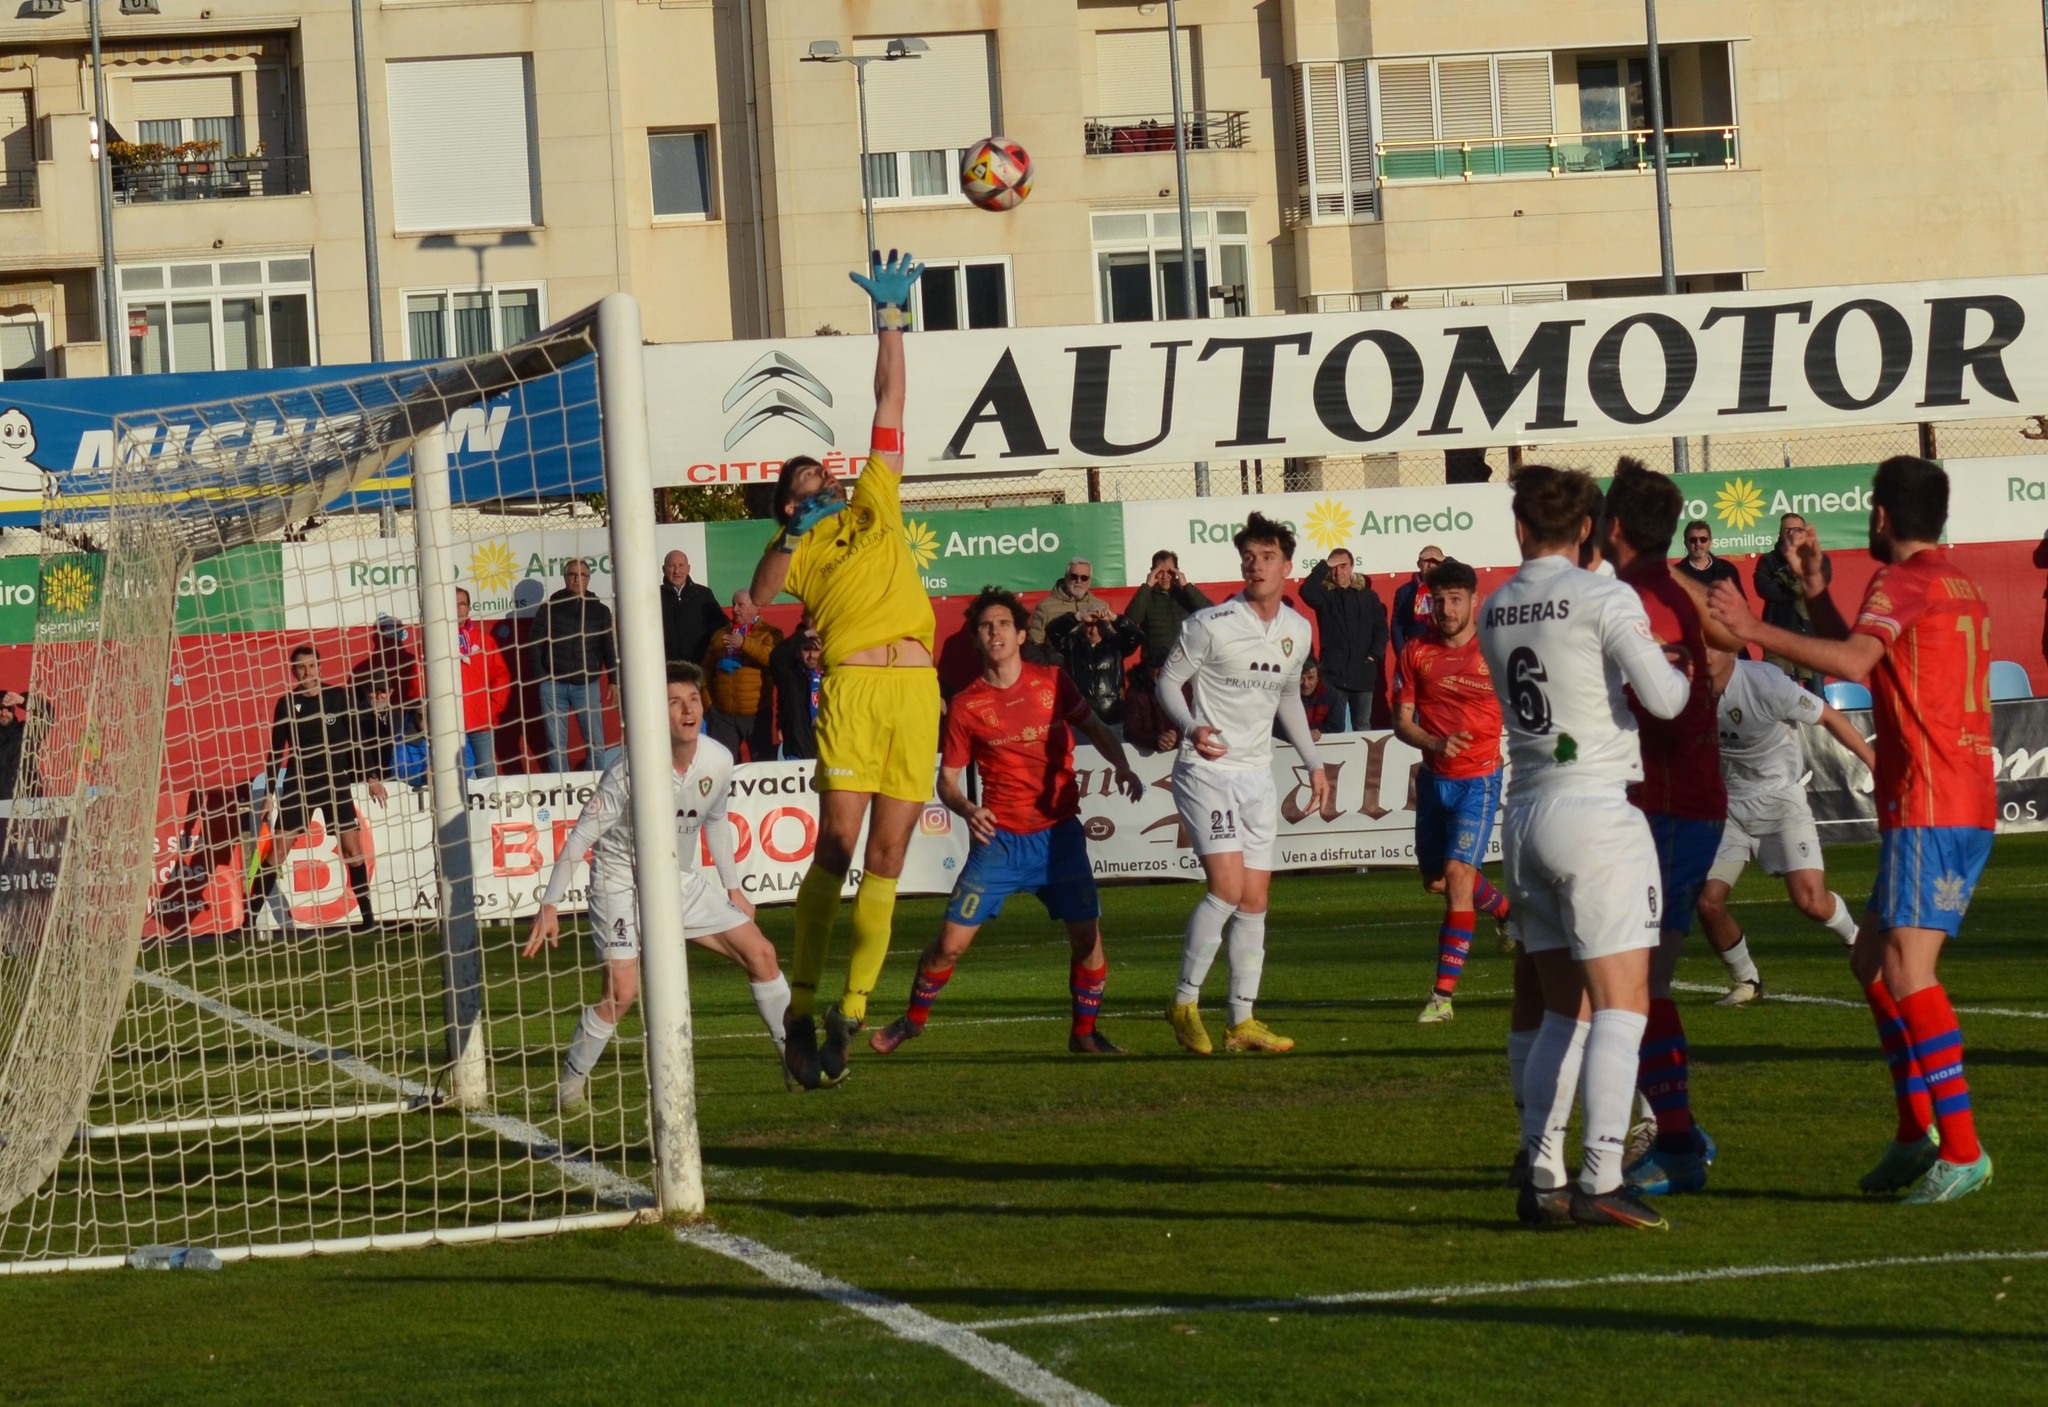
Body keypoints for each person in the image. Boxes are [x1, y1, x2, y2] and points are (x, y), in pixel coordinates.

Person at [1709, 456, 1997, 1204]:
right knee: (1870, 962)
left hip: (1935, 799)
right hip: (1948, 793)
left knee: (1907, 972)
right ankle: (1913, 1133)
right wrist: (1814, 593)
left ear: (1879, 515)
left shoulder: (1901, 581)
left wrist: (1753, 625)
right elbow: (1875, 659)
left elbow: (1857, 658)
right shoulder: (1953, 579)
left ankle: (1961, 1149)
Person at [1478, 464, 1691, 1231]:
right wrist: (1672, 663)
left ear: (1519, 527)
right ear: (1588, 531)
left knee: (1562, 1012)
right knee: (1623, 1004)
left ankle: (1542, 1175)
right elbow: (1666, 701)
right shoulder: (1606, 594)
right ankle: (1602, 1174)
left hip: (1525, 811)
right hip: (1596, 809)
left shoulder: (1495, 606)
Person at [747, 249, 939, 1091]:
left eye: (818, 469)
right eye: (801, 480)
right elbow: (757, 597)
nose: (818, 476)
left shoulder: (873, 498)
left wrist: (891, 322)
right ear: (790, 502)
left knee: (891, 858)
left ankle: (851, 1010)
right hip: (857, 690)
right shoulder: (807, 543)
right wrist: (793, 531)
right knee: (837, 842)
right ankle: (802, 1002)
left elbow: (890, 401)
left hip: (917, 689)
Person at [869, 588, 1144, 1058]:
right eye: (984, 626)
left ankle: (1084, 1034)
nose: (994, 632)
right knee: (950, 946)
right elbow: (948, 782)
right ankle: (913, 1022)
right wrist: (967, 809)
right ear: (977, 639)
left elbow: (1097, 728)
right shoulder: (966, 706)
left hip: (1059, 838)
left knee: (1088, 942)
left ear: (1020, 635)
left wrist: (1122, 764)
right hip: (999, 844)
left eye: (1002, 624)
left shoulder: (1053, 682)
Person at [521, 664, 792, 1107]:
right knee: (621, 993)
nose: (687, 710)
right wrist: (550, 905)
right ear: (655, 713)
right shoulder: (629, 771)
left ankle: (792, 1062)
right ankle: (569, 1084)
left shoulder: (718, 759)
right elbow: (581, 837)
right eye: (673, 702)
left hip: (675, 879)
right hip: (619, 881)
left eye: (692, 699)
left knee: (761, 953)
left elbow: (717, 821)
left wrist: (733, 887)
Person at [1157, 513, 1331, 1056]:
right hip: (1206, 770)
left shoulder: (1297, 631)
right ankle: (1184, 1001)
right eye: (1250, 556)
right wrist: (1191, 726)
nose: (1257, 565)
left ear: (1288, 565)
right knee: (1228, 888)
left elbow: (1286, 699)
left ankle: (1241, 1022)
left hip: (1257, 774)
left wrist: (1314, 762)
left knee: (1254, 900)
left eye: (1268, 556)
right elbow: (1167, 682)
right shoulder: (1210, 622)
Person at [1601, 460, 1729, 1201]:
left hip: (1675, 808)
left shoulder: (1646, 599)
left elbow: (1673, 705)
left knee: (1640, 982)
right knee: (1634, 980)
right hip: (1667, 805)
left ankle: (1672, 1141)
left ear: (1612, 526)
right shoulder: (1652, 591)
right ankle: (1671, 1135)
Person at [1698, 645, 1876, 1005]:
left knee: (1811, 902)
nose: (1704, 653)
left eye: (1713, 644)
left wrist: (1875, 762)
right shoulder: (1681, 688)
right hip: (1726, 807)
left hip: (1780, 802)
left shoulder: (1766, 684)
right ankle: (1747, 980)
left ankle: (1858, 940)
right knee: (1707, 903)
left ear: (1731, 650)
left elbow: (1830, 717)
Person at [1391, 558, 1514, 1024]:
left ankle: (1441, 997)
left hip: (1479, 780)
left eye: (1455, 599)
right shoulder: (1416, 649)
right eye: (1438, 599)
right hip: (1434, 778)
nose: (1445, 608)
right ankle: (1505, 911)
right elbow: (1402, 721)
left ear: (1473, 601)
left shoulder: (1495, 649)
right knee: (1438, 880)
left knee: (1458, 880)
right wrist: (1434, 742)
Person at [246, 645, 389, 933]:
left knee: (353, 849)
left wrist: (372, 777)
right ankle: (246, 923)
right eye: (301, 667)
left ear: (320, 668)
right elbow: (277, 752)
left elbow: (357, 741)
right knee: (277, 853)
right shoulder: (286, 703)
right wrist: (270, 794)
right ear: (293, 671)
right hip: (300, 784)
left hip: (335, 782)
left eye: (312, 666)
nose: (307, 672)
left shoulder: (338, 697)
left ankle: (367, 919)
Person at [529, 559, 618, 772]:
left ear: (589, 579)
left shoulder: (600, 611)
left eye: (582, 575)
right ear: (565, 577)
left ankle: (593, 788)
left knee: (596, 745)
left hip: (586, 685)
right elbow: (534, 645)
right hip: (553, 686)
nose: (577, 579)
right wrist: (543, 679)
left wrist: (614, 680)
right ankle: (561, 791)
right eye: (572, 575)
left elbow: (608, 647)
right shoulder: (550, 608)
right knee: (555, 747)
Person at [1300, 547, 1389, 732]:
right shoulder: (1324, 595)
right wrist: (1324, 565)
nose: (1338, 571)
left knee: (1362, 725)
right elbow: (1306, 591)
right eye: (1334, 567)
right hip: (1333, 674)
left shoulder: (1368, 597)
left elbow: (1381, 630)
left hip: (1363, 672)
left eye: (1343, 566)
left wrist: (1373, 657)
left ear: (1352, 567)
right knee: (1334, 727)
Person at [1754, 513, 1832, 693]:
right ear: (1779, 533)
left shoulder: (1819, 560)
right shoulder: (1768, 560)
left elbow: (1817, 586)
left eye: (1797, 529)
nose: (1791, 534)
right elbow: (1763, 588)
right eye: (1786, 530)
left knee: (1817, 696)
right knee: (1778, 695)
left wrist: (1782, 581)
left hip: (1813, 638)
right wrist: (1796, 588)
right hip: (1778, 637)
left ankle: (1821, 723)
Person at [703, 590, 782, 761]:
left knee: (762, 763)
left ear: (755, 608)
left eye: (741, 605)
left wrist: (745, 643)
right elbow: (705, 673)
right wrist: (709, 706)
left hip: (756, 713)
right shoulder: (719, 635)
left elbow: (772, 659)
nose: (734, 609)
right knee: (723, 764)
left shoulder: (769, 633)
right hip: (722, 715)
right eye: (733, 604)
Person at [1045, 606, 1144, 729]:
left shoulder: (1116, 644)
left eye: (1100, 625)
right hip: (1080, 718)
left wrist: (1115, 618)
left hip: (1113, 717)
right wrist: (1077, 616)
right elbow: (1052, 631)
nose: (1094, 631)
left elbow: (1137, 636)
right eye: (1089, 625)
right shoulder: (1071, 643)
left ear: (1107, 626)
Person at [1123, 550, 1212, 681]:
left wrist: (1186, 586)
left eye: (1170, 571)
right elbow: (1130, 620)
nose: (1165, 576)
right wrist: (1147, 586)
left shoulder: (1186, 594)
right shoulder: (1146, 595)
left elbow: (1210, 613)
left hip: (1186, 668)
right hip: (1156, 669)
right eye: (1160, 572)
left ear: (1177, 571)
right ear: (1152, 571)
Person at [456, 587, 511, 779]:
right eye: (453, 604)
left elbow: (501, 676)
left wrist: (493, 708)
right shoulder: (434, 641)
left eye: (462, 604)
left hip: (481, 719)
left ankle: (490, 811)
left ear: (469, 608)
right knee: (454, 777)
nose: (458, 609)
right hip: (448, 723)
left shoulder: (485, 640)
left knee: (486, 773)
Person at [1025, 558, 1111, 664]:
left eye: (1084, 578)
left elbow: (1111, 641)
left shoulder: (1102, 606)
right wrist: (1051, 667)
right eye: (1074, 576)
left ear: (1089, 581)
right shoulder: (1045, 607)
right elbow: (1032, 647)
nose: (1079, 581)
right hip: (1059, 672)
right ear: (1066, 577)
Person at [660, 550, 728, 670]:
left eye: (681, 566)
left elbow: (721, 627)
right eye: (672, 566)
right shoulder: (655, 597)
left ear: (688, 568)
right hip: (665, 668)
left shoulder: (703, 594)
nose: (677, 571)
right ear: (664, 569)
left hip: (699, 667)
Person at [769, 621, 823, 761]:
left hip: (827, 747)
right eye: (806, 650)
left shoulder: (831, 677)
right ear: (798, 652)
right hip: (797, 747)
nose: (811, 655)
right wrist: (806, 634)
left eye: (816, 650)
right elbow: (777, 656)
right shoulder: (789, 675)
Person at [1390, 545, 1446, 654]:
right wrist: (1403, 655)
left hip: (1444, 652)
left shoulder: (1449, 588)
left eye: (1434, 561)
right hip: (1417, 653)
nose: (1430, 565)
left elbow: (1463, 572)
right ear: (1418, 564)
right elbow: (1397, 628)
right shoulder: (1405, 592)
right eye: (1426, 561)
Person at [1674, 520, 1742, 594]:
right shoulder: (1675, 574)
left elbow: (1741, 604)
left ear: (1710, 542)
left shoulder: (1728, 569)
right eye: (1693, 540)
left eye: (1703, 539)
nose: (1698, 543)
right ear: (1685, 543)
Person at [1288, 656, 1342, 739]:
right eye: (1301, 678)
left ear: (1318, 678)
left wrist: (1320, 731)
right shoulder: (1285, 695)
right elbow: (1274, 726)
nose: (1305, 683)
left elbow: (1337, 726)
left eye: (1310, 678)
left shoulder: (1330, 694)